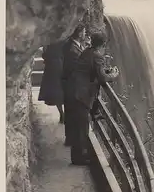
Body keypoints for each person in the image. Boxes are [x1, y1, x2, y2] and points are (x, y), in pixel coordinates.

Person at [68, 32, 119, 165]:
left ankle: (77, 156)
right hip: (82, 94)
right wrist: (113, 75)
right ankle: (79, 159)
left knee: (79, 126)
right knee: (82, 127)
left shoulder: (87, 52)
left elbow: (94, 71)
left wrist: (105, 71)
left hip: (75, 91)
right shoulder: (97, 56)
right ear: (103, 44)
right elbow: (102, 78)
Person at [62, 23, 86, 146]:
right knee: (71, 112)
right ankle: (71, 139)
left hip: (70, 85)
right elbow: (74, 69)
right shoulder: (73, 50)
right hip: (72, 86)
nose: (86, 34)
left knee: (70, 112)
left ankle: (70, 138)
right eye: (84, 32)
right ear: (80, 33)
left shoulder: (73, 46)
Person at [38, 41, 65, 123]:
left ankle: (62, 113)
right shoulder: (63, 40)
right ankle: (63, 114)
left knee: (56, 92)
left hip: (52, 67)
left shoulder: (49, 41)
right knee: (62, 91)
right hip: (61, 65)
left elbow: (44, 54)